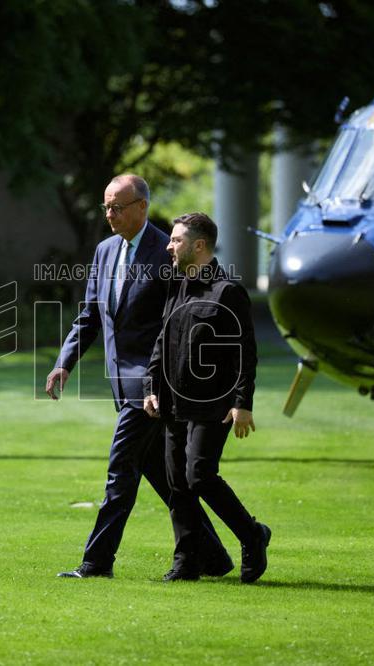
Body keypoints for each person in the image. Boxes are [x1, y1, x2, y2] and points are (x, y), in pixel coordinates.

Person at [47, 175, 233, 579]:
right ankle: (217, 556)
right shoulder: (104, 251)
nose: (109, 214)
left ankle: (97, 563)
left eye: (117, 207)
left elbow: (178, 321)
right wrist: (65, 361)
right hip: (121, 383)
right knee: (165, 479)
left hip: (155, 387)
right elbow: (90, 315)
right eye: (106, 207)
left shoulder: (170, 251)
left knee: (120, 471)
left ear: (142, 207)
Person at [143, 212, 271, 583]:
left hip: (214, 405)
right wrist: (151, 388)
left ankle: (252, 535)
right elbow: (162, 342)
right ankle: (187, 562)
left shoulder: (228, 291)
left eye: (176, 240)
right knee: (177, 485)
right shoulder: (176, 285)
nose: (169, 246)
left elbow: (245, 352)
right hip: (172, 403)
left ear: (199, 246)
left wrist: (243, 404)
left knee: (198, 475)